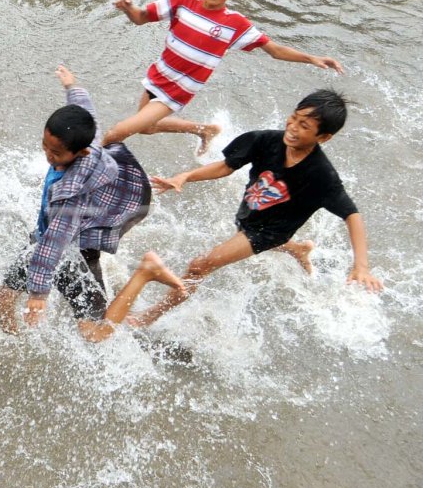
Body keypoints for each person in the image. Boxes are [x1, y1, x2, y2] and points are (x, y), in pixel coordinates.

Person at [130, 89, 383, 327]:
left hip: (270, 231)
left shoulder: (322, 175)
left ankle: (149, 316)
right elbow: (226, 166)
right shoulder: (265, 140)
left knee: (200, 265)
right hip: (250, 213)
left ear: (324, 137)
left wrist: (361, 266)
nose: (292, 128)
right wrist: (185, 176)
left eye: (304, 126)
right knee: (240, 227)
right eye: (293, 118)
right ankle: (297, 249)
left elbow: (352, 215)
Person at [0, 66, 180, 342]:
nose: (48, 155)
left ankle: (146, 272)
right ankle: (13, 343)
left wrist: (38, 293)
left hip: (77, 254)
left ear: (79, 152)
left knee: (94, 335)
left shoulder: (72, 194)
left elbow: (55, 241)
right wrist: (73, 87)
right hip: (50, 239)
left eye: (55, 152)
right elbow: (86, 111)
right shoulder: (89, 141)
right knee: (4, 296)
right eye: (45, 145)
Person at [104, 0, 344, 155]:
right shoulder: (183, 2)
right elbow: (141, 18)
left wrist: (312, 58)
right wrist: (128, 8)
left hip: (178, 90)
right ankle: (203, 129)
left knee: (116, 133)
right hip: (158, 75)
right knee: (146, 127)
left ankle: (73, 167)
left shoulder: (235, 24)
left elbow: (274, 50)